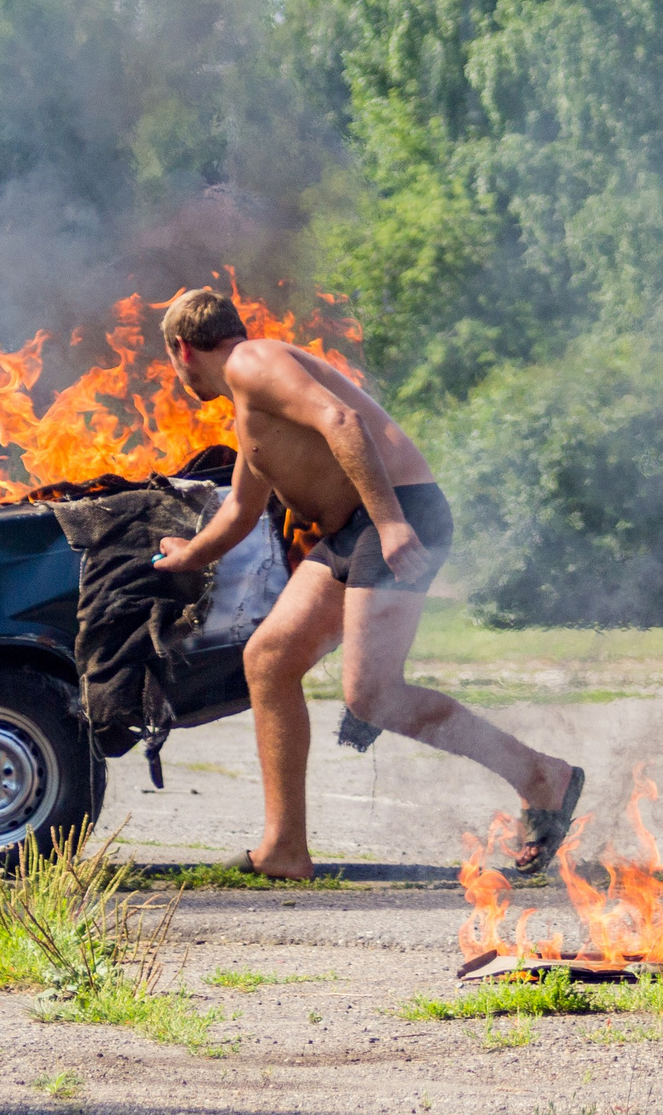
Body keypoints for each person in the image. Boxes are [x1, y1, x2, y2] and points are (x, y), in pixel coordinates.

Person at [150, 288, 582, 879]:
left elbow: (341, 419)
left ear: (181, 349)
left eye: (172, 366)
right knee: (270, 660)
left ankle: (542, 777)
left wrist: (391, 522)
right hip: (357, 531)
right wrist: (186, 556)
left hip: (398, 515)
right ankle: (284, 849)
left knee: (372, 695)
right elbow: (239, 515)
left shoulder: (252, 362)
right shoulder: (252, 410)